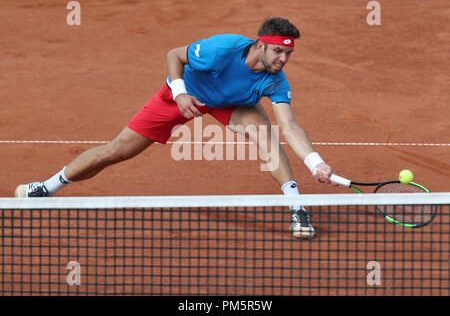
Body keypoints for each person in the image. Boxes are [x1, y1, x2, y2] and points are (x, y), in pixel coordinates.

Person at [15, 17, 334, 239]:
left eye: (288, 53)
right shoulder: (220, 50)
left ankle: (297, 208)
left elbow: (290, 127)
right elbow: (174, 55)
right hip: (184, 94)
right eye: (278, 51)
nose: (283, 59)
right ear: (260, 45)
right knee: (116, 151)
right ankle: (47, 186)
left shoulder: (275, 79)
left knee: (265, 134)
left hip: (231, 104)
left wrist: (315, 161)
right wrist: (180, 93)